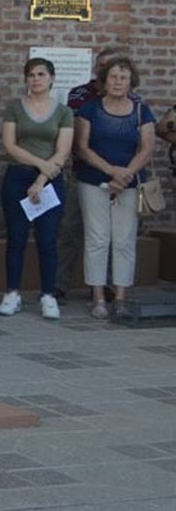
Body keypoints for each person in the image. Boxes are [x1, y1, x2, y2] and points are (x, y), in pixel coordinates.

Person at [73, 54, 156, 319]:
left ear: (131, 82)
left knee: (124, 240)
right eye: (113, 77)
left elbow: (147, 148)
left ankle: (121, 297)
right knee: (97, 238)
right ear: (104, 81)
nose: (118, 82)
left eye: (123, 77)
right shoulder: (89, 110)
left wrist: (126, 174)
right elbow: (82, 148)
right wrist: (111, 172)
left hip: (129, 185)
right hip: (94, 181)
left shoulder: (142, 110)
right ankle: (98, 297)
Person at [0, 57, 73, 320]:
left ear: (51, 78)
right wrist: (40, 164)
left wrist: (41, 180)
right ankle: (12, 294)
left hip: (49, 181)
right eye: (31, 75)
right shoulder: (15, 108)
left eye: (41, 74)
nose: (36, 79)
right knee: (16, 238)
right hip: (17, 177)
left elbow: (62, 152)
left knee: (47, 240)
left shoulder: (64, 112)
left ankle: (48, 296)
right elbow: (10, 145)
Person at [58, 46, 133, 296]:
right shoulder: (80, 95)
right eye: (102, 67)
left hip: (122, 179)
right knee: (72, 228)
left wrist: (121, 173)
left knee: (116, 235)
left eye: (114, 68)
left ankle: (108, 286)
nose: (109, 73)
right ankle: (60, 285)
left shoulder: (133, 100)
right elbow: (78, 140)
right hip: (84, 173)